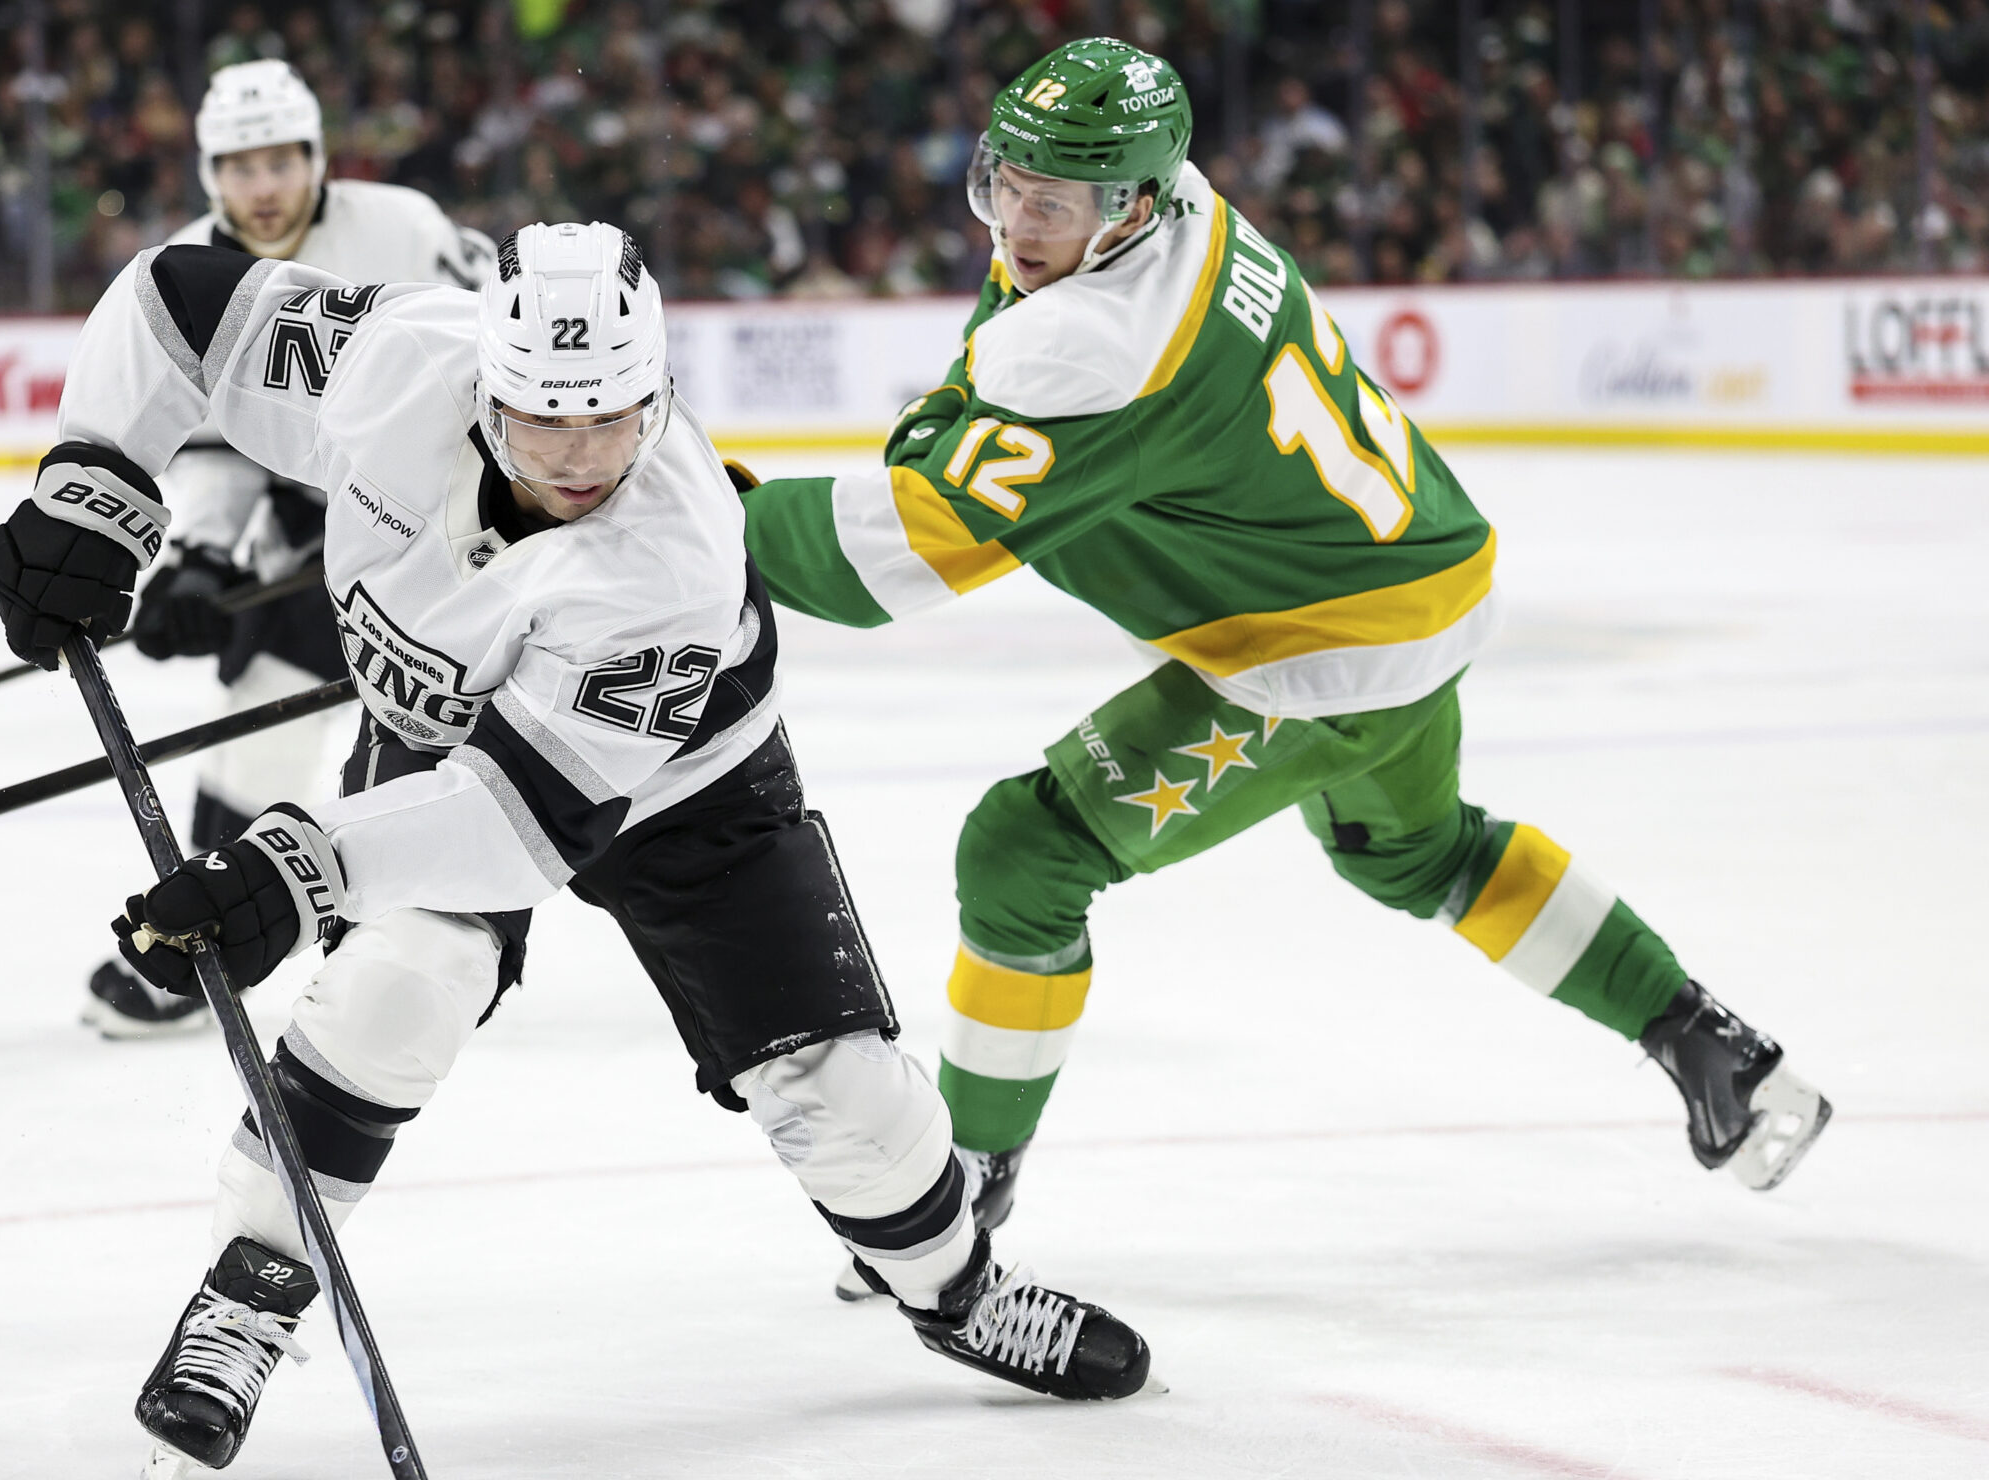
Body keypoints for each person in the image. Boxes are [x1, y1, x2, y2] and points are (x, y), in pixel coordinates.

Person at [0, 223, 1158, 1480]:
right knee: (395, 989)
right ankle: (250, 1297)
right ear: (484, 384)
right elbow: (170, 306)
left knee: (843, 1098)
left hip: (686, 785)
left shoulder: (672, 557)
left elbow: (517, 823)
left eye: (612, 420)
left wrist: (298, 859)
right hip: (445, 742)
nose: (579, 458)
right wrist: (96, 482)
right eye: (541, 420)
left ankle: (955, 1289)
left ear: (654, 393)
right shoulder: (392, 363)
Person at [731, 42, 1833, 1299]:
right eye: (1004, 184)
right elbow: (1003, 377)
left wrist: (690, 525)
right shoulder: (1179, 205)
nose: (1016, 225)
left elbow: (889, 559)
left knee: (1021, 856)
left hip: (1322, 651)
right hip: (1420, 568)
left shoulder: (1105, 337)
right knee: (1417, 854)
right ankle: (1708, 1043)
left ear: (1132, 205)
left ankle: (960, 1188)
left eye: (1052, 203)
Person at [83, 56, 497, 1039]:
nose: (261, 187)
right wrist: (201, 559)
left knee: (526, 746)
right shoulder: (188, 268)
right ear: (207, 173)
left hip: (469, 515)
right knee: (255, 710)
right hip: (327, 526)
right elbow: (222, 446)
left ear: (317, 159)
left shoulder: (401, 228)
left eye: (279, 161)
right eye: (238, 166)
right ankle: (205, 944)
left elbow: (497, 363)